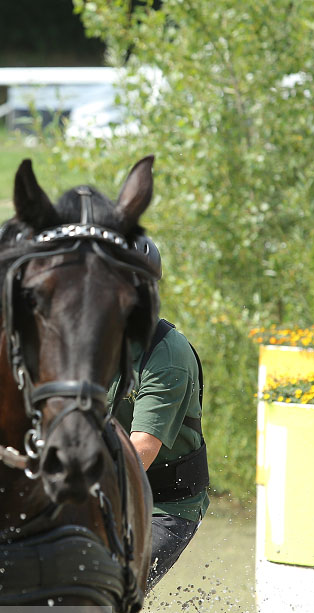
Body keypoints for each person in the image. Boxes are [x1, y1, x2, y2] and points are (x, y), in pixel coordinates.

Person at [107, 244, 210, 589]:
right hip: (96, 493)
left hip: (162, 507)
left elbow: (142, 450)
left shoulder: (166, 354)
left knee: (102, 593)